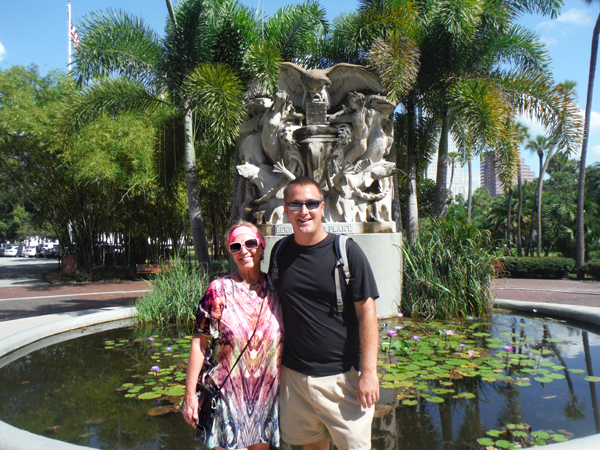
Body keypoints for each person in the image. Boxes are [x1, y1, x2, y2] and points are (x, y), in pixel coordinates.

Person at [269, 176, 380, 450]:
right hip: (295, 377)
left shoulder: (346, 252)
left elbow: (368, 314)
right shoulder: (280, 252)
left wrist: (369, 372)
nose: (303, 211)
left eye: (310, 203)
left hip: (342, 379)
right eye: (295, 205)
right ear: (286, 211)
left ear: (322, 207)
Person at [182, 221, 283, 450]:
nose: (243, 250)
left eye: (249, 243)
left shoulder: (277, 290)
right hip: (227, 398)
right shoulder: (219, 290)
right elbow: (200, 343)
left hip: (265, 398)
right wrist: (190, 396)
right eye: (235, 246)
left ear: (261, 246)